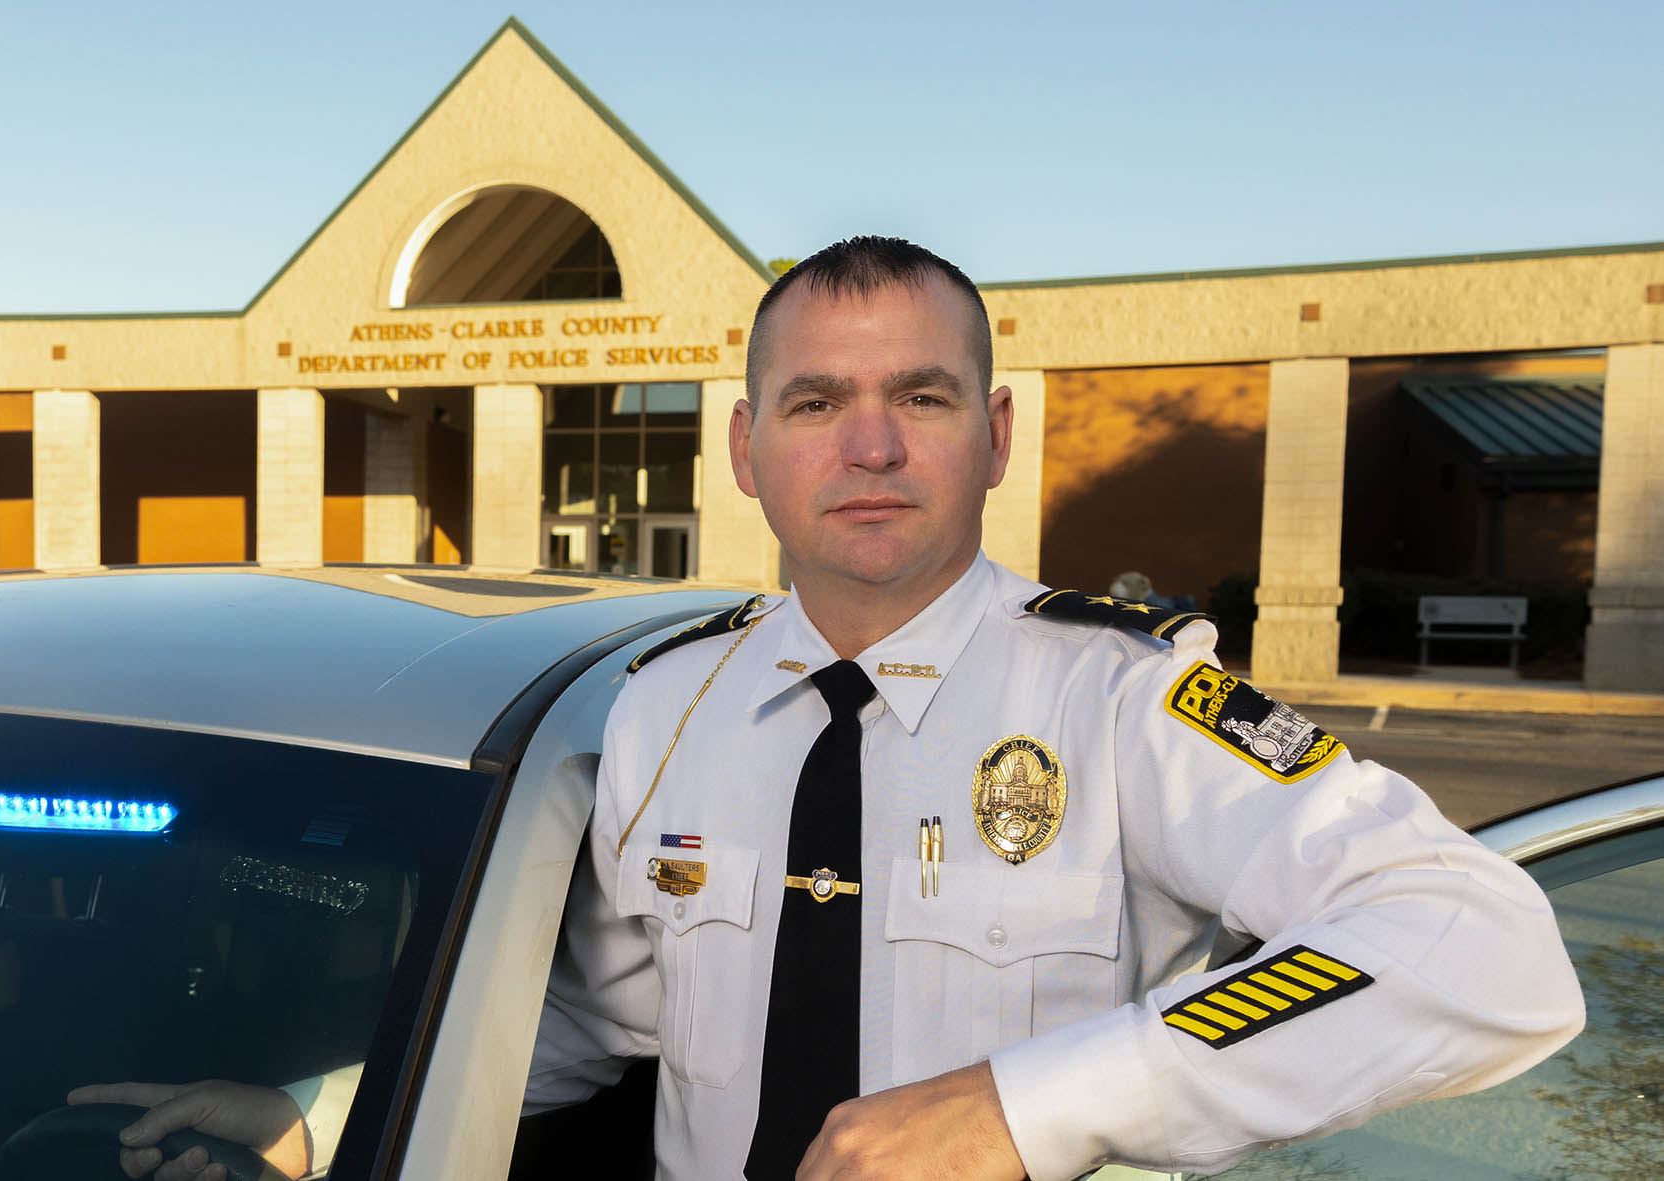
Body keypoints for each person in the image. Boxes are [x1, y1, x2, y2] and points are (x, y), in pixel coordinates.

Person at [77, 236, 1585, 1179]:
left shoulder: (1126, 698)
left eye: (921, 397)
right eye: (816, 403)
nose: (870, 444)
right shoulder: (664, 710)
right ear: (746, 448)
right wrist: (315, 1109)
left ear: (994, 435)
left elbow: (1491, 952)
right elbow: (597, 1024)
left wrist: (1022, 1107)